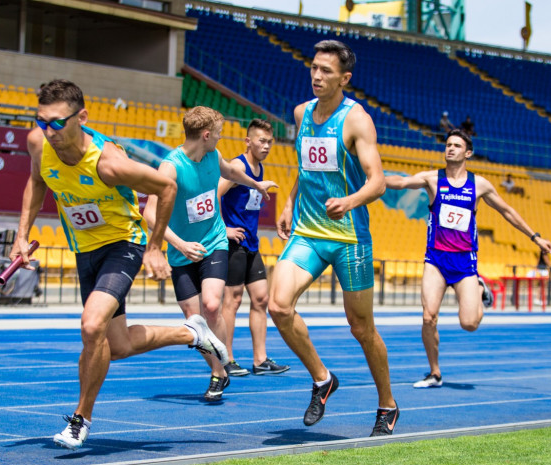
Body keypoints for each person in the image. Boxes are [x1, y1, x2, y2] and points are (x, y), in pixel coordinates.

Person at [10, 80, 228, 451]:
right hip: (85, 250)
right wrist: (21, 234)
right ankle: (192, 333)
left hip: (122, 244)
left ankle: (80, 420)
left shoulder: (108, 162)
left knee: (91, 325)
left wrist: (156, 247)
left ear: (82, 117)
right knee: (119, 344)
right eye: (42, 121)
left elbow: (166, 189)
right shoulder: (38, 144)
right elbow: (36, 182)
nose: (49, 131)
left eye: (58, 123)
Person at [268, 40, 398, 437]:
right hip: (308, 231)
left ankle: (387, 404)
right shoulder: (300, 113)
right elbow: (307, 169)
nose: (317, 76)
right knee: (278, 306)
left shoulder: (357, 120)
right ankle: (323, 379)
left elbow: (377, 183)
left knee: (361, 328)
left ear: (345, 78)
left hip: (348, 237)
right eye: (313, 68)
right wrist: (290, 201)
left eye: (326, 70)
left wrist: (350, 200)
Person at [385, 129, 551, 389]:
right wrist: (374, 175)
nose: (450, 148)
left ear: (468, 152)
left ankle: (479, 286)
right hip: (436, 260)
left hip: (465, 264)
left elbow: (507, 211)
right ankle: (435, 373)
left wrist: (535, 237)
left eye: (456, 145)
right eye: (448, 144)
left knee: (470, 324)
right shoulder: (432, 179)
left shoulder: (480, 184)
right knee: (429, 317)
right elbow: (400, 182)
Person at [143, 106, 277, 402]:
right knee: (195, 321)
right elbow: (150, 214)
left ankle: (219, 370)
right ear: (206, 135)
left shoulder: (214, 156)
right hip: (182, 253)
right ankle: (219, 371)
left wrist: (256, 184)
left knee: (212, 305)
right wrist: (179, 245)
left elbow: (231, 172)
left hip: (214, 240)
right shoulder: (170, 168)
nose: (220, 138)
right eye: (218, 134)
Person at [218, 118, 290, 377]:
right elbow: (214, 195)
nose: (267, 146)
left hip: (251, 244)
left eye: (270, 142)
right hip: (233, 243)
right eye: (262, 141)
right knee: (232, 300)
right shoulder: (238, 165)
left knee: (260, 299)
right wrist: (222, 229)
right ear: (248, 141)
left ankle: (260, 360)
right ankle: (226, 359)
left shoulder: (259, 169)